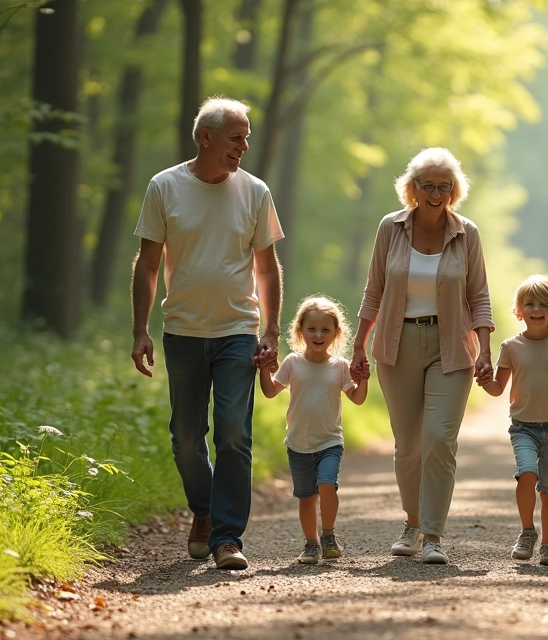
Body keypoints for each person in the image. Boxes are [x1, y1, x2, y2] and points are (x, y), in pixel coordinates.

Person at [131, 97, 284, 571]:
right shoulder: (165, 187)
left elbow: (267, 266)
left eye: (247, 138)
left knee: (234, 433)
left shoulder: (255, 191)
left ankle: (226, 537)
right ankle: (203, 509)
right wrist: (140, 329)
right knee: (185, 436)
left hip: (239, 329)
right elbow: (148, 263)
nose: (244, 146)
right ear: (206, 138)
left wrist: (273, 331)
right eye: (237, 137)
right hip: (182, 330)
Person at [351, 147, 495, 565]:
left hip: (451, 347)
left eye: (444, 186)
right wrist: (359, 343)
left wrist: (485, 349)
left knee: (439, 440)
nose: (435, 193)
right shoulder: (389, 228)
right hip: (396, 347)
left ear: (454, 190)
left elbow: (479, 295)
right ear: (412, 188)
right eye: (427, 185)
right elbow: (373, 290)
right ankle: (411, 524)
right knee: (408, 446)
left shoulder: (467, 233)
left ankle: (432, 535)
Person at [479, 274, 548, 566]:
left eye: (544, 303)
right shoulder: (511, 347)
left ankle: (547, 546)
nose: (536, 309)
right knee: (527, 472)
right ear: (519, 310)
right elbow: (496, 389)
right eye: (529, 303)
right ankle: (527, 531)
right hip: (523, 428)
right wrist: (481, 379)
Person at [258, 296, 368, 565]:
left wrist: (364, 380)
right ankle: (310, 544)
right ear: (300, 330)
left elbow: (357, 397)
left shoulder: (340, 366)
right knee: (306, 498)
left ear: (335, 333)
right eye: (312, 329)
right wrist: (262, 369)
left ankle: (328, 535)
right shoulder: (292, 363)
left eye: (325, 330)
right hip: (298, 443)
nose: (318, 335)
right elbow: (271, 391)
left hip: (330, 441)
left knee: (327, 484)